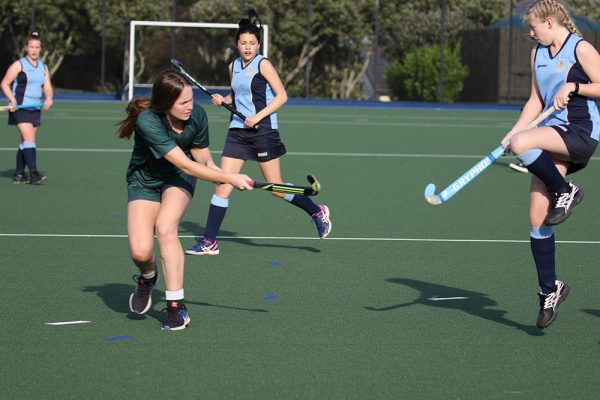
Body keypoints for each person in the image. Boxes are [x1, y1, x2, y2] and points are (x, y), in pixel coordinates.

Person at [186, 9, 331, 256]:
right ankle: (210, 241)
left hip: (263, 130)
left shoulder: (263, 64)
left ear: (258, 44)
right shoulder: (233, 66)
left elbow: (282, 96)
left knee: (276, 188)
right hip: (237, 131)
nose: (247, 47)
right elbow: (238, 94)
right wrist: (224, 99)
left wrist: (258, 117)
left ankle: (317, 211)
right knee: (223, 184)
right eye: (243, 43)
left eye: (252, 43)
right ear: (237, 44)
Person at [117, 70, 253, 331]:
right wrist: (229, 177)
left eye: (191, 100)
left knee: (166, 228)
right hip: (144, 182)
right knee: (140, 251)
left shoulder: (197, 116)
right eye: (183, 103)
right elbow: (186, 163)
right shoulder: (149, 121)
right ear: (166, 103)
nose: (191, 106)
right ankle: (147, 278)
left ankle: (175, 307)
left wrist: (218, 174)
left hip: (178, 179)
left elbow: (199, 158)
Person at [500, 0, 600, 329]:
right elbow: (535, 101)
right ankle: (550, 289)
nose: (530, 34)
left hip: (580, 133)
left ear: (549, 22)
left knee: (523, 144)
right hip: (551, 135)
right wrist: (513, 133)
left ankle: (566, 191)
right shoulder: (537, 54)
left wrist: (575, 87)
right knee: (537, 219)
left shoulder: (580, 48)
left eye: (533, 27)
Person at [1, 31, 53, 184]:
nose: (34, 50)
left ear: (40, 48)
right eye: (31, 47)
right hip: (20, 108)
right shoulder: (19, 65)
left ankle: (18, 174)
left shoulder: (43, 67)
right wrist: (12, 99)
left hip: (34, 108)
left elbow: (47, 87)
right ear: (26, 48)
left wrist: (49, 97)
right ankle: (34, 172)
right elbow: (4, 83)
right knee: (30, 138)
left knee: (25, 141)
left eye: (37, 47)